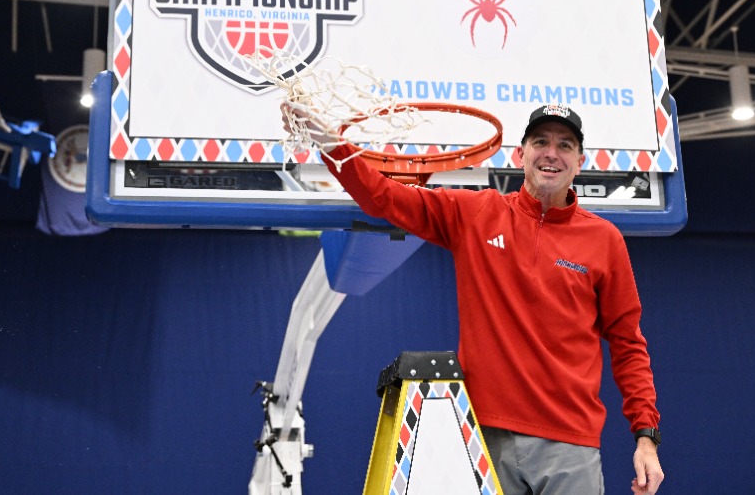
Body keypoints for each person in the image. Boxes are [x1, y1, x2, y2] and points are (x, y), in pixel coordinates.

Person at [282, 102, 664, 495]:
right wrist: (329, 144)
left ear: (580, 162)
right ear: (520, 155)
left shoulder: (604, 240)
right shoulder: (476, 213)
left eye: (565, 145)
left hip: (570, 445)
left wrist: (646, 436)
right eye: (540, 142)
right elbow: (383, 197)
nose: (551, 153)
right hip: (482, 437)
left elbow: (628, 344)